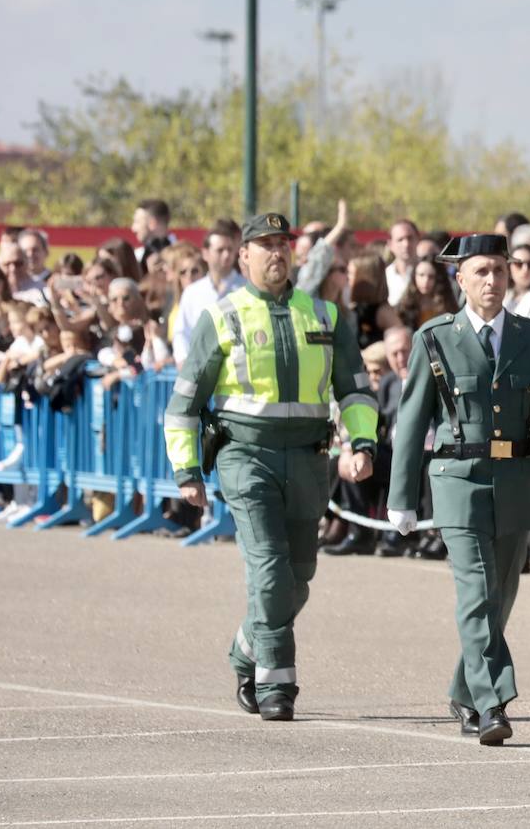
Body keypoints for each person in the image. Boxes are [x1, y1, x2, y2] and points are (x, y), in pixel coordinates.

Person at [163, 213, 379, 721]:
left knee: (298, 575)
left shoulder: (325, 315)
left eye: (283, 244)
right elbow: (184, 402)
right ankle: (276, 684)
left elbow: (355, 388)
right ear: (244, 257)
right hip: (245, 456)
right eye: (264, 245)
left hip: (309, 459)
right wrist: (187, 470)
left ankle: (246, 647)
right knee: (267, 565)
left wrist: (363, 441)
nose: (276, 252)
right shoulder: (222, 316)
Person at [388, 234, 530, 744]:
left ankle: (464, 689)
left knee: (500, 597)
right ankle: (491, 703)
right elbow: (412, 419)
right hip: (458, 481)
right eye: (481, 271)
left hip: (515, 480)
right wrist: (400, 496)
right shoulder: (435, 337)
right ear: (460, 278)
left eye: (500, 271)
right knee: (477, 593)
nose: (492, 281)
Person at [172, 219, 244, 364]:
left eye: (230, 249)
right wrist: (183, 360)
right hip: (200, 373)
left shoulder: (247, 289)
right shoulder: (192, 292)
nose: (226, 255)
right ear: (205, 253)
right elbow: (181, 332)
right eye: (220, 250)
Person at [346, 252, 400, 350]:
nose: (346, 278)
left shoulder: (384, 312)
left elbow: (401, 343)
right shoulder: (354, 307)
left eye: (350, 274)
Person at [396, 256, 460, 331]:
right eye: (421, 275)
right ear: (414, 276)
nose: (425, 281)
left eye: (431, 277)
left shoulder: (447, 304)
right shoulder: (405, 306)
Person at [385, 219, 421, 306]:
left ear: (418, 240)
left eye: (410, 238)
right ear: (390, 245)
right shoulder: (384, 275)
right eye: (400, 240)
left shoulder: (430, 273)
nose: (406, 244)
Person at [131, 199, 173, 263]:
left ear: (152, 223)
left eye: (137, 222)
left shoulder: (183, 256)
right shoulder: (136, 257)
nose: (133, 229)